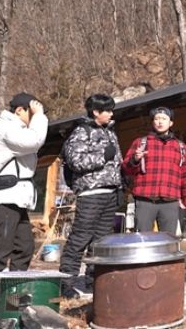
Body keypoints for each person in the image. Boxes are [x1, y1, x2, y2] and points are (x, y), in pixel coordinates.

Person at [0, 93, 48, 320]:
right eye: (31, 112)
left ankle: (12, 300)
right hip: (3, 200)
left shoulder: (16, 129)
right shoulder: (4, 127)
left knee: (24, 248)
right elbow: (33, 141)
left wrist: (37, 116)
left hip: (15, 200)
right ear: (19, 110)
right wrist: (40, 116)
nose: (34, 116)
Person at [59, 94, 123, 297]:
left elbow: (117, 162)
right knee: (80, 238)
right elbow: (75, 162)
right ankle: (65, 283)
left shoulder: (110, 132)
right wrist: (102, 156)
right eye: (108, 110)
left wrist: (121, 183)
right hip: (90, 193)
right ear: (96, 112)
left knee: (101, 241)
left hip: (110, 192)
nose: (111, 114)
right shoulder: (81, 132)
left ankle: (95, 281)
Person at [122, 107, 186, 235]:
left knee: (168, 240)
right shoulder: (141, 143)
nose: (160, 122)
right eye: (157, 119)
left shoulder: (180, 146)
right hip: (145, 200)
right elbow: (126, 169)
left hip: (170, 201)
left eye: (164, 119)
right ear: (153, 122)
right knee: (142, 239)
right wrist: (135, 159)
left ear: (171, 123)